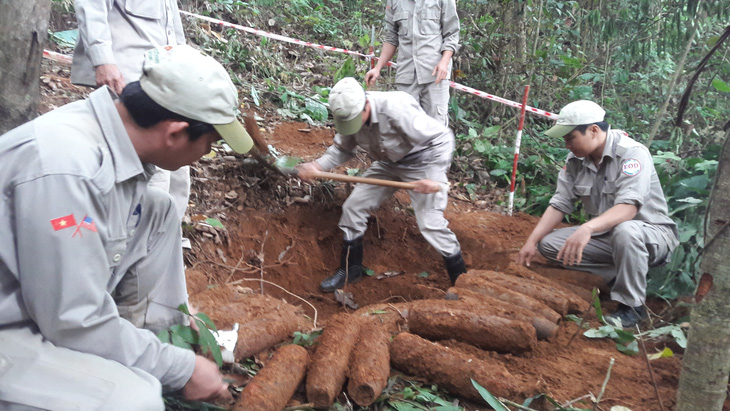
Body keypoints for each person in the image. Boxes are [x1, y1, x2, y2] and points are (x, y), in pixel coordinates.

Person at [0, 45, 254, 409]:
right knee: (134, 398)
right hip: (12, 326)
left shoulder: (117, 137)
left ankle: (156, 334)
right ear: (175, 133)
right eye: (210, 145)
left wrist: (177, 322)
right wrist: (180, 369)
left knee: (158, 209)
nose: (205, 156)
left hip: (41, 302)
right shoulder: (67, 169)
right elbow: (73, 321)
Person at [518, 100, 679, 328]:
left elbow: (628, 209)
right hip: (610, 235)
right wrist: (531, 242)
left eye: (570, 137)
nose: (566, 145)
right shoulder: (575, 161)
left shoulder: (632, 154)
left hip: (651, 234)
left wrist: (587, 228)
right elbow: (561, 203)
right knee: (550, 245)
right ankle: (616, 277)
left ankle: (632, 307)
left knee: (626, 230)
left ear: (594, 130)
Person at [298, 77, 466, 293]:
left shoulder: (397, 109)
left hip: (424, 162)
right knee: (353, 207)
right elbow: (342, 150)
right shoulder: (349, 113)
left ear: (366, 104)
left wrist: (434, 175)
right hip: (388, 165)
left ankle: (461, 284)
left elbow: (442, 137)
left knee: (430, 224)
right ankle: (351, 269)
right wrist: (316, 165)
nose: (352, 126)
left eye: (354, 119)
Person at [71, 0, 192, 246]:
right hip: (128, 78)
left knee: (178, 167)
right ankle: (137, 248)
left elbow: (171, 28)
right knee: (150, 168)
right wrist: (102, 59)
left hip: (166, 79)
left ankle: (165, 240)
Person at [364, 0, 460, 126]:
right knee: (405, 126)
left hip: (434, 75)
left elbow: (452, 33)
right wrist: (377, 68)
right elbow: (391, 38)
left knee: (436, 127)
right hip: (406, 76)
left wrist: (444, 60)